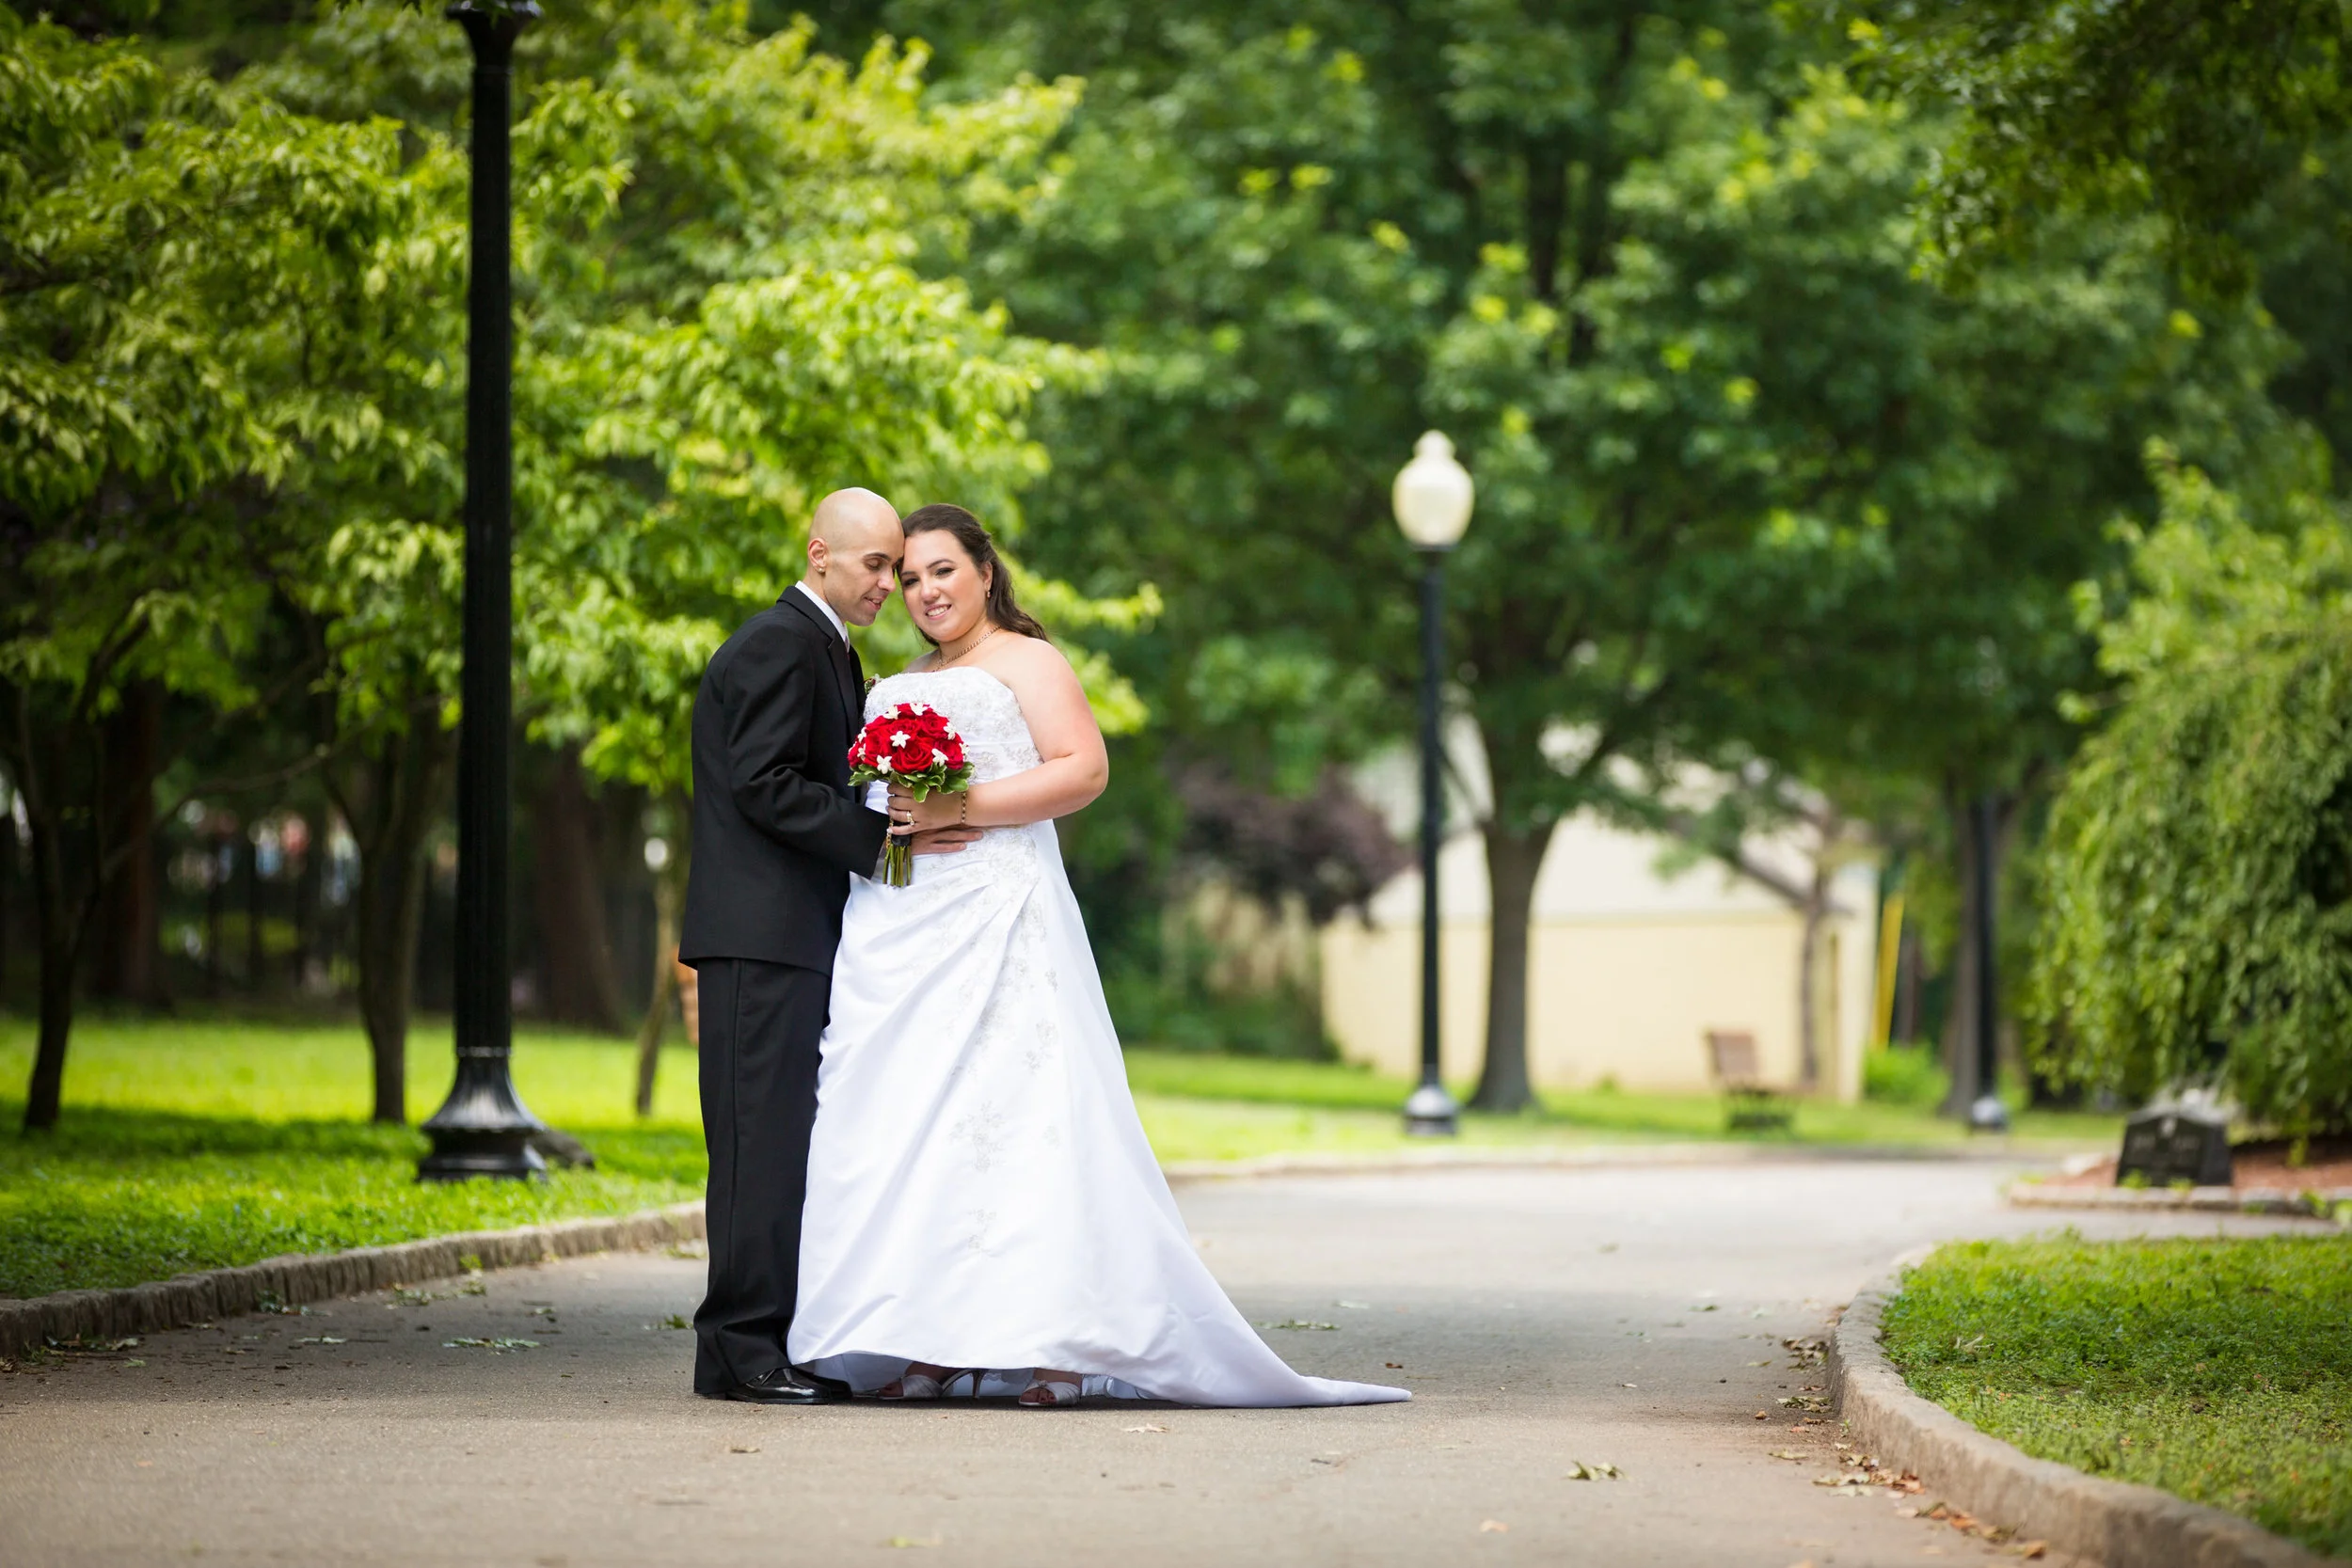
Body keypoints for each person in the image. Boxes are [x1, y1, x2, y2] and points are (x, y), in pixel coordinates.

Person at [787, 503, 1408, 1409]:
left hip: (998, 911)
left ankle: (1055, 1345)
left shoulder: (1029, 661)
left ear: (985, 573)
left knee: (1020, 1117)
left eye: (941, 571)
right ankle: (922, 1333)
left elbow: (1082, 769)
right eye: (909, 578)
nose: (923, 591)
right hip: (901, 919)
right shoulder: (896, 679)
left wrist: (959, 808)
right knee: (907, 1118)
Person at [676, 487, 977, 1405]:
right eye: (875, 564)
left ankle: (761, 1341)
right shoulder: (780, 642)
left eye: (897, 565)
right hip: (758, 937)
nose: (889, 582)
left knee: (783, 1146)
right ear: (819, 555)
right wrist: (883, 829)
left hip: (794, 935)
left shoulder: (832, 649)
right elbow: (763, 783)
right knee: (756, 1147)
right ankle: (738, 1347)